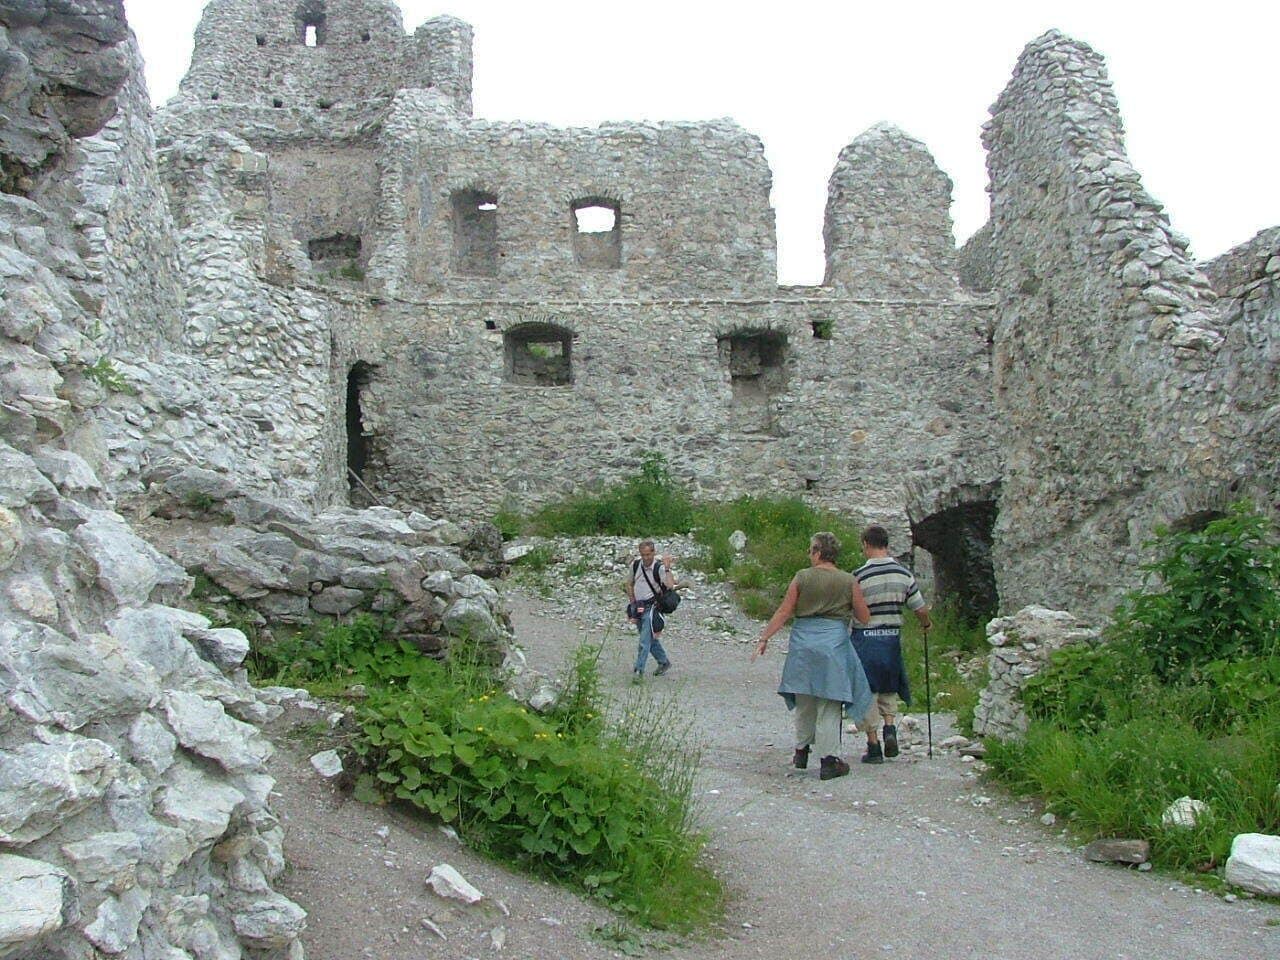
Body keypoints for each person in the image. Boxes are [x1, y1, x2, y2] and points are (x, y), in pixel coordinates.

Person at [752, 532, 873, 780]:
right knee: (829, 701)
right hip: (833, 645)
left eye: (810, 550)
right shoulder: (848, 580)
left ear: (817, 552)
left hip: (803, 643)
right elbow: (864, 616)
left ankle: (801, 750)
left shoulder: (802, 577)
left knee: (804, 697)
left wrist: (765, 637)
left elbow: (785, 611)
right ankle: (829, 760)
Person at [851, 524, 932, 764]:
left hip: (866, 639)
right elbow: (920, 607)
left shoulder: (858, 576)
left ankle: (873, 744)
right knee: (889, 685)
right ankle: (890, 728)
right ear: (886, 544)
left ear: (866, 544)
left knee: (867, 692)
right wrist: (926, 624)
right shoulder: (904, 574)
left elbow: (852, 609)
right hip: (891, 638)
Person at [625, 539, 677, 680]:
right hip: (638, 606)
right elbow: (629, 584)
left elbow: (670, 585)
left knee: (644, 640)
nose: (646, 558)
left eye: (648, 554)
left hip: (651, 608)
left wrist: (667, 568)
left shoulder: (659, 568)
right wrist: (633, 603)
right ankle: (664, 662)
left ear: (653, 553)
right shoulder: (635, 565)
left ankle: (638, 670)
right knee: (649, 638)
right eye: (643, 555)